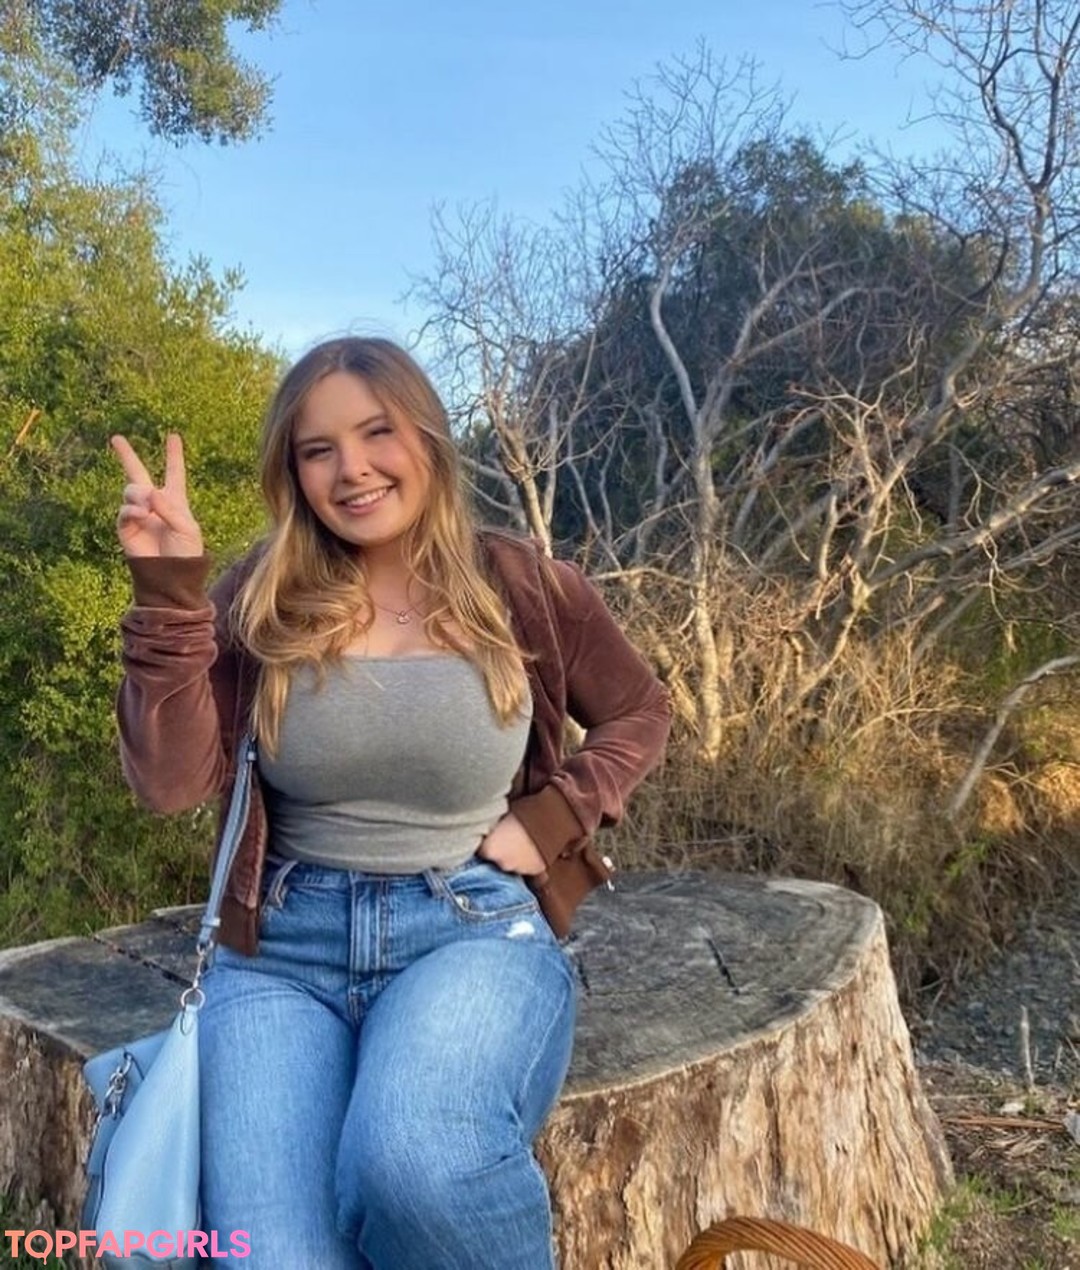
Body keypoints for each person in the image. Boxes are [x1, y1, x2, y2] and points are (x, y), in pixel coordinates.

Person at [111, 336, 671, 1270]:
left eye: (377, 432)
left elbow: (640, 711)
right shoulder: (261, 595)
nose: (352, 469)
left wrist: (556, 816)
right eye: (318, 449)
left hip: (469, 930)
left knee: (416, 1164)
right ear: (294, 472)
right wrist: (169, 595)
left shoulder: (522, 587)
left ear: (428, 437)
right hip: (280, 952)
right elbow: (169, 783)